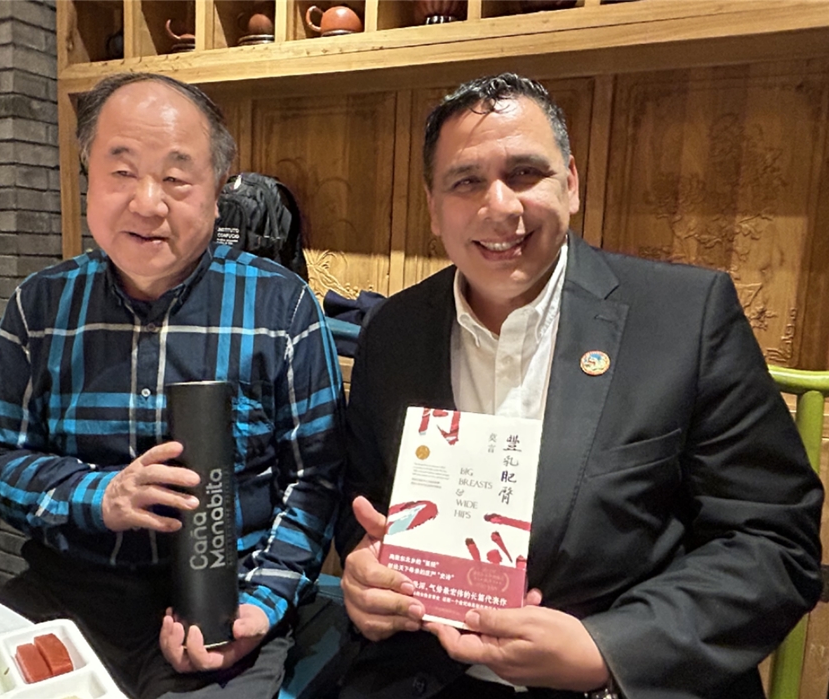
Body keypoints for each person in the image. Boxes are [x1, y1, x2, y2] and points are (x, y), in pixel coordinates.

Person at [335, 73, 823, 699]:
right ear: (433, 208)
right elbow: (365, 500)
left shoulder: (684, 317)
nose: (499, 206)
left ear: (571, 185)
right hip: (431, 674)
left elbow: (773, 542)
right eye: (466, 181)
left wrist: (607, 650)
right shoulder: (393, 332)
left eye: (524, 174)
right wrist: (366, 576)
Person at [0, 72, 345, 699]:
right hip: (69, 591)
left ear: (217, 193)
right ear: (87, 176)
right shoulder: (40, 305)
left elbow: (317, 477)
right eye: (121, 171)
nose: (147, 201)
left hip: (227, 597)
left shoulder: (282, 307)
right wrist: (98, 494)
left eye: (175, 177)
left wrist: (262, 605)